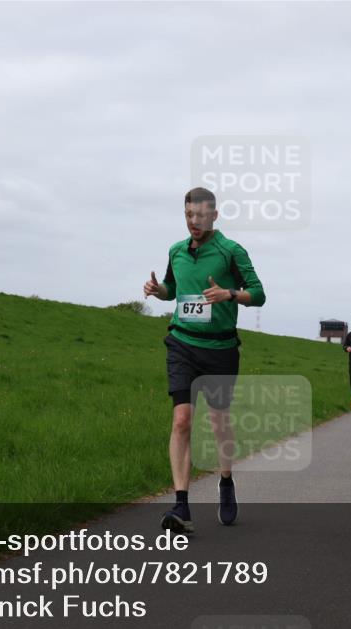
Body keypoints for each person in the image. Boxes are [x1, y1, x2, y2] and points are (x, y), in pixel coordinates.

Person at [143, 187, 266, 534]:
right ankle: (181, 505)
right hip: (182, 343)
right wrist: (158, 291)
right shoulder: (176, 251)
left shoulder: (231, 252)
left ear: (213, 215)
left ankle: (226, 481)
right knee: (182, 420)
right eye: (187, 215)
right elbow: (172, 288)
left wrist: (229, 293)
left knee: (218, 422)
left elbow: (258, 294)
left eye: (199, 216)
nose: (193, 222)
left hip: (220, 349)